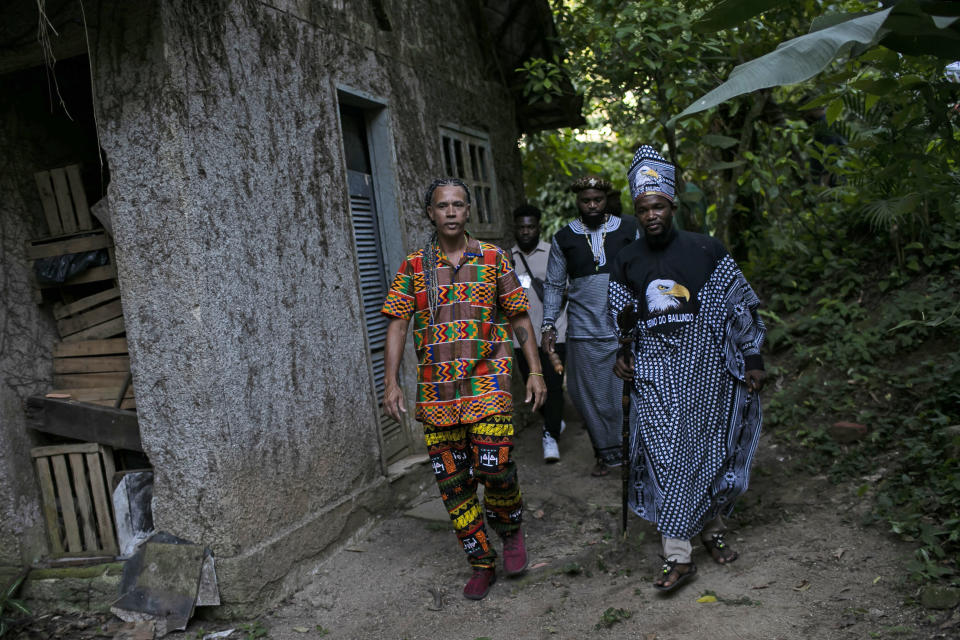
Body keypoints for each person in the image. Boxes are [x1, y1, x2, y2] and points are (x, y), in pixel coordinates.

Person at [608, 145, 767, 592]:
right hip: (656, 375)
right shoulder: (627, 259)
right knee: (668, 459)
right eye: (643, 208)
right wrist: (623, 354)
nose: (651, 214)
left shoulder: (706, 250)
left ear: (672, 205)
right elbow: (621, 320)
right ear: (636, 212)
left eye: (658, 205)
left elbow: (742, 308)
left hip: (706, 369)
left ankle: (712, 529)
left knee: (706, 455)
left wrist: (751, 356)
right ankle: (678, 555)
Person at [381, 178, 547, 601]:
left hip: (487, 382)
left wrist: (535, 371)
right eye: (443, 206)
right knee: (454, 488)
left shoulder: (492, 259)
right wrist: (391, 383)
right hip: (438, 395)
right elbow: (398, 323)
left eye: (458, 205)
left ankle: (510, 531)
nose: (451, 212)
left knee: (495, 468)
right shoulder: (413, 266)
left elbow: (518, 318)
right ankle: (481, 563)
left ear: (468, 211)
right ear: (431, 213)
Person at [541, 175, 639, 477]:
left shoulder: (630, 228)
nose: (593, 205)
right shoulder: (563, 238)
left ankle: (635, 455)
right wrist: (548, 324)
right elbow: (555, 285)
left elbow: (646, 271)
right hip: (583, 333)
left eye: (598, 199)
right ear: (578, 202)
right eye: (586, 201)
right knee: (588, 398)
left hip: (624, 332)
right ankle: (605, 454)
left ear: (606, 199)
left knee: (630, 395)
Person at [510, 204, 568, 463]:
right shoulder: (505, 258)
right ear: (515, 228)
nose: (525, 232)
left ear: (538, 227)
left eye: (530, 227)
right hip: (521, 336)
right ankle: (554, 421)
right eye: (521, 227)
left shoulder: (552, 253)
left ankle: (550, 436)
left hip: (554, 332)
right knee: (533, 387)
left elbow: (568, 290)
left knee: (554, 386)